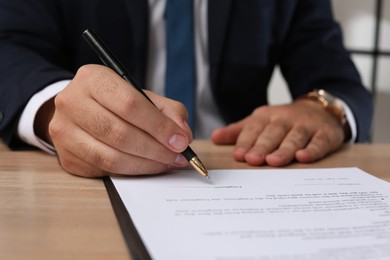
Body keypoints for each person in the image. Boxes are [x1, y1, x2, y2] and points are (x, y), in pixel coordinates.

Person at [0, 0, 373, 177]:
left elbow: (337, 80)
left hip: (241, 162)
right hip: (93, 183)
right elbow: (9, 47)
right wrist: (53, 104)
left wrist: (322, 108)